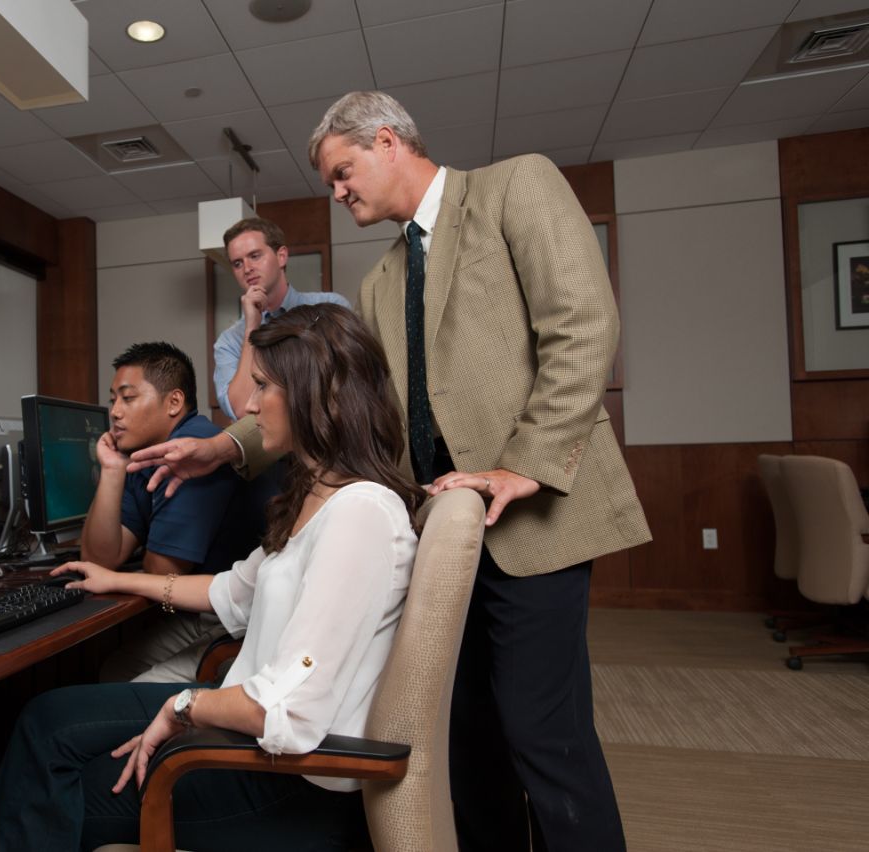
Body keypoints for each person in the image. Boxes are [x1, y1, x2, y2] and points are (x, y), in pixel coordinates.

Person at [127, 91, 652, 852]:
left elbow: (584, 325)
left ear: (387, 140)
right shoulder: (380, 282)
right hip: (442, 525)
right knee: (468, 738)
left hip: (534, 515)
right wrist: (227, 446)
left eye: (343, 172)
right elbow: (327, 397)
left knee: (544, 734)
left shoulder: (514, 188)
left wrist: (521, 465)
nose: (337, 193)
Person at [0, 304, 424, 852]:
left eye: (262, 387)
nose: (248, 407)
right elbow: (228, 590)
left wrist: (182, 707)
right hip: (246, 734)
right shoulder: (318, 497)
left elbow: (288, 710)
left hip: (284, 782)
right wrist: (118, 581)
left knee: (55, 792)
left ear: (314, 396)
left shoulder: (360, 516)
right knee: (45, 719)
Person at [82, 341, 260, 684]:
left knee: (118, 675)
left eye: (128, 397)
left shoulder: (194, 450)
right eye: (112, 399)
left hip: (230, 618)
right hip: (197, 610)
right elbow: (101, 558)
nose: (115, 412)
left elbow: (164, 571)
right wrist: (112, 470)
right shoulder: (141, 454)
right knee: (111, 668)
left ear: (174, 402)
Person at [213, 217, 349, 420]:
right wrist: (252, 327)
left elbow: (355, 381)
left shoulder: (330, 307)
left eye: (255, 256)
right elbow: (242, 411)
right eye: (237, 263)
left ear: (282, 256)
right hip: (269, 448)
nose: (247, 268)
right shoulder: (229, 341)